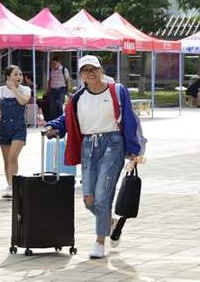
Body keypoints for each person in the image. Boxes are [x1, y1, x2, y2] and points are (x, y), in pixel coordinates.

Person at [44, 55, 143, 259]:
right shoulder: (77, 98)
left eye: (94, 69)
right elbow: (68, 118)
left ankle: (99, 242)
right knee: (89, 200)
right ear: (80, 75)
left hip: (113, 144)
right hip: (88, 146)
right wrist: (53, 126)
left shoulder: (117, 90)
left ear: (101, 70)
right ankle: (110, 223)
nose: (90, 73)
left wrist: (134, 150)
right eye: (85, 70)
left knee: (103, 195)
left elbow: (130, 120)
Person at [0, 65, 31, 198]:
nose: (19, 77)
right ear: (8, 76)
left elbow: (23, 102)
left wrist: (15, 89)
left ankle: (14, 187)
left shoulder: (25, 89)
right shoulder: (0, 90)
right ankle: (9, 185)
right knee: (6, 159)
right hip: (4, 127)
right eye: (16, 74)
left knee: (12, 157)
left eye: (20, 74)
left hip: (19, 127)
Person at [47, 55, 72, 121]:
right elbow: (50, 80)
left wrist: (69, 90)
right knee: (52, 105)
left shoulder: (64, 70)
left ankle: (60, 119)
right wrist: (48, 90)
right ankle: (53, 120)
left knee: (59, 104)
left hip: (61, 89)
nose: (53, 65)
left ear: (59, 63)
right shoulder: (50, 70)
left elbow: (68, 80)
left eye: (55, 63)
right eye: (52, 64)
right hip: (53, 89)